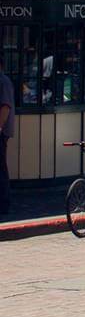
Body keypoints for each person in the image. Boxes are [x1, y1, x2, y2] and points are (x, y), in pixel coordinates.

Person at [0, 60, 12, 215]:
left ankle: (3, 203)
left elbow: (5, 106)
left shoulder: (3, 81)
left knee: (0, 168)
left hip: (1, 133)